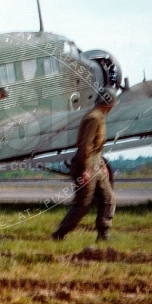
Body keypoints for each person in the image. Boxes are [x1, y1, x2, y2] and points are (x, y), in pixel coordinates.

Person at [52, 87, 119, 241]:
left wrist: (101, 165)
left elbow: (96, 148)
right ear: (107, 104)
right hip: (86, 165)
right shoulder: (93, 118)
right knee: (83, 203)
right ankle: (60, 234)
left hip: (96, 164)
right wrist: (84, 170)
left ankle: (103, 234)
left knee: (108, 198)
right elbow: (86, 146)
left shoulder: (100, 117)